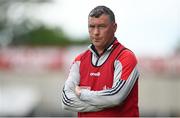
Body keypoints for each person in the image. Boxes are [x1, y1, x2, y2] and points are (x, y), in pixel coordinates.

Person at [62, 5, 140, 117]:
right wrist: (104, 104)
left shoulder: (125, 57)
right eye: (91, 26)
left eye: (102, 26)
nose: (96, 32)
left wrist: (82, 94)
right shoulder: (79, 60)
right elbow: (66, 101)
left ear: (114, 27)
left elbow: (115, 97)